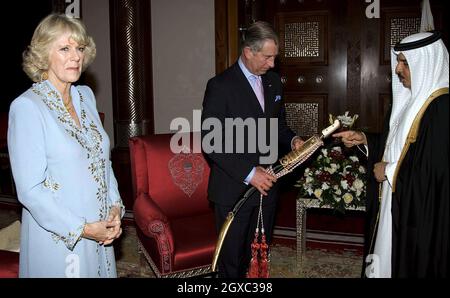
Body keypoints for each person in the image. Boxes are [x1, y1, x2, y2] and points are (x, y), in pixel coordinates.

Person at [7, 14, 124, 278]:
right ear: (43, 54)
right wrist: (83, 229)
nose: (76, 57)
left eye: (80, 48)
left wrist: (115, 208)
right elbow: (30, 191)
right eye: (64, 48)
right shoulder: (27, 107)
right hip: (59, 237)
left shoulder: (85, 96)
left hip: (99, 231)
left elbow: (101, 159)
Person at [333, 31, 449, 278]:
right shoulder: (410, 100)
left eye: (405, 63)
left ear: (425, 62)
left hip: (417, 214)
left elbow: (436, 170)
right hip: (393, 200)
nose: (397, 69)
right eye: (398, 61)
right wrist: (365, 139)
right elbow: (395, 144)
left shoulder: (440, 109)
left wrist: (389, 170)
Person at [201, 21, 303, 278]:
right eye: (267, 57)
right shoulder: (220, 86)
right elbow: (211, 141)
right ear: (248, 52)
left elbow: (278, 126)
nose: (272, 64)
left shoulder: (274, 83)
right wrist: (249, 173)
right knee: (232, 263)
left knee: (258, 257)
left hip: (268, 185)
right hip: (233, 189)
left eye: (274, 57)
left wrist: (292, 141)